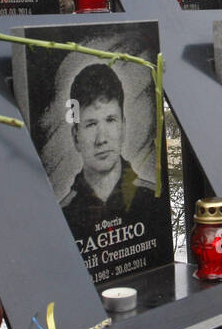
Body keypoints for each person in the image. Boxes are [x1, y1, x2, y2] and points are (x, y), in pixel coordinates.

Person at [60, 63, 159, 232]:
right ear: (76, 136)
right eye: (91, 124)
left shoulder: (154, 199)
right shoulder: (62, 215)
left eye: (110, 120)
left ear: (123, 126)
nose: (102, 139)